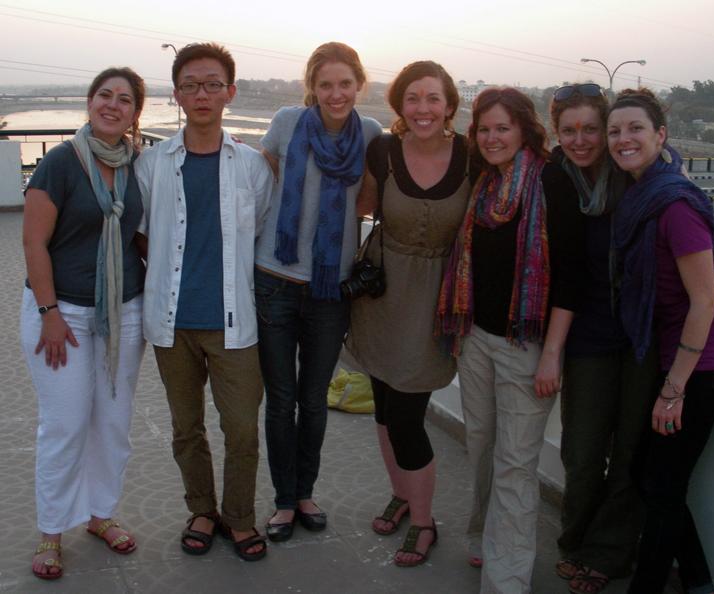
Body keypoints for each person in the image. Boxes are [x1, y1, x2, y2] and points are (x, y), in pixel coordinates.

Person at [606, 88, 714, 594]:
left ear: (661, 136)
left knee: (661, 484)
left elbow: (705, 302)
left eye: (635, 129)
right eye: (615, 131)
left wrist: (674, 389)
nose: (624, 139)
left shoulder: (673, 206)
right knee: (655, 480)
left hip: (709, 366)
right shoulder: (652, 191)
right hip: (688, 361)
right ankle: (698, 581)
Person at [436, 87, 584, 593]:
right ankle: (483, 535)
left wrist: (551, 356)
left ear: (524, 129)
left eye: (503, 127)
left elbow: (570, 278)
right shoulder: (483, 184)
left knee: (516, 465)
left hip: (528, 346)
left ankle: (507, 580)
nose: (493, 137)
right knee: (481, 450)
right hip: (477, 338)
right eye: (484, 129)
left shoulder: (551, 182)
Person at [135, 42, 272, 561]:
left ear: (230, 93)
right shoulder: (152, 164)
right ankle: (200, 508)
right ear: (176, 96)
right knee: (186, 428)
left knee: (241, 429)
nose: (202, 94)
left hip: (235, 325)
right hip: (171, 324)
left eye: (213, 84)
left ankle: (238, 516)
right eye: (191, 85)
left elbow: (257, 235)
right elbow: (143, 235)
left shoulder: (253, 167)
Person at [21, 67, 147, 579]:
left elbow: (142, 237)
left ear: (137, 113)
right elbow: (33, 243)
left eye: (124, 99)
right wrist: (49, 313)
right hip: (64, 314)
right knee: (66, 425)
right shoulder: (60, 162)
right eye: (104, 96)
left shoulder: (139, 164)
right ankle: (51, 530)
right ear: (90, 102)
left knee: (112, 425)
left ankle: (100, 514)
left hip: (125, 312)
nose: (113, 105)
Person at [255, 41, 382, 542]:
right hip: (275, 281)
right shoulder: (287, 122)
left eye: (345, 84)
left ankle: (305, 491)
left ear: (358, 86)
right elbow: (257, 186)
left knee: (313, 400)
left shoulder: (371, 135)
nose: (336, 93)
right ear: (313, 86)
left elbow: (369, 205)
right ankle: (284, 502)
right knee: (281, 398)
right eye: (326, 84)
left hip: (331, 290)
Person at [346, 60, 470, 567]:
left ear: (449, 105)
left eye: (432, 98)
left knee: (407, 418)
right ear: (399, 105)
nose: (423, 108)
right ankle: (403, 494)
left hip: (435, 302)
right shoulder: (383, 150)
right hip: (381, 295)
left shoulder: (471, 155)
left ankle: (424, 522)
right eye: (412, 98)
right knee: (382, 404)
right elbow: (359, 208)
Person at [547, 83, 660, 594]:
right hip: (587, 333)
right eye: (569, 130)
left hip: (641, 333)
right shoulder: (556, 177)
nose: (581, 140)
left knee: (631, 449)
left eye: (591, 128)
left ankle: (609, 552)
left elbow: (685, 203)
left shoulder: (635, 177)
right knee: (584, 449)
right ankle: (577, 541)